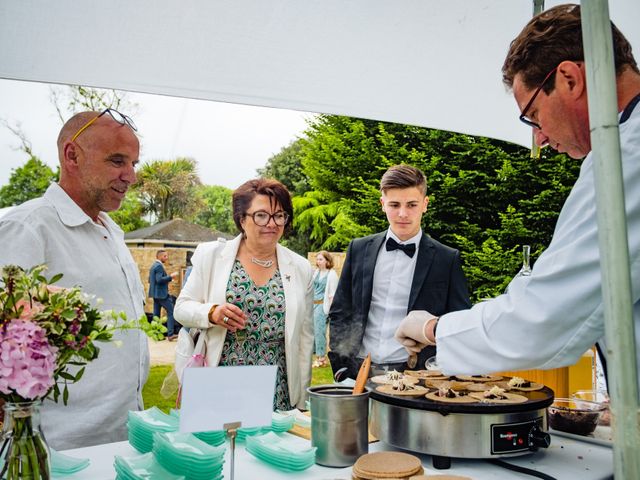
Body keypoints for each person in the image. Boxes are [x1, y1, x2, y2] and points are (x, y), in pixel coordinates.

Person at [395, 4, 640, 381]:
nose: (539, 137)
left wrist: (433, 329)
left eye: (533, 115)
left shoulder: (624, 155)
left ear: (570, 79)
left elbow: (545, 319)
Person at [0, 108, 148, 449]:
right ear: (72, 155)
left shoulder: (111, 231)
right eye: (117, 161)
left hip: (122, 436)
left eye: (133, 164)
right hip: (58, 446)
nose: (131, 176)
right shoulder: (29, 227)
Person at [174, 178, 314, 410]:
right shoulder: (211, 255)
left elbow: (305, 338)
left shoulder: (300, 267)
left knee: (270, 447)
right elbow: (182, 308)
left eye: (279, 215)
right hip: (220, 379)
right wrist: (211, 313)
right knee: (220, 445)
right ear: (242, 219)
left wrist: (301, 401)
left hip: (277, 386)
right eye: (261, 215)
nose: (271, 223)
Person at [328, 164, 471, 379]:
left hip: (416, 375)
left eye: (411, 204)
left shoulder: (446, 258)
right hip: (357, 372)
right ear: (382, 204)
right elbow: (341, 309)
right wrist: (340, 365)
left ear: (425, 204)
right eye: (394, 204)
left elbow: (458, 319)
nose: (403, 213)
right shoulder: (358, 248)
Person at [311, 251, 339, 368]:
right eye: (317, 259)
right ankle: (316, 355)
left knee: (320, 332)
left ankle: (321, 359)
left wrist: (331, 311)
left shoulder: (331, 274)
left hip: (323, 306)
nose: (318, 261)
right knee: (312, 331)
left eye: (321, 259)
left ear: (327, 261)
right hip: (313, 305)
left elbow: (332, 295)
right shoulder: (316, 272)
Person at [149, 249, 179, 340]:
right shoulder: (159, 266)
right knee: (171, 311)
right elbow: (159, 280)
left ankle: (156, 335)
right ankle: (170, 334)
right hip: (162, 294)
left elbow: (149, 280)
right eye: (165, 256)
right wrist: (171, 276)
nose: (167, 258)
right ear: (159, 256)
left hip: (155, 294)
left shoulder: (153, 266)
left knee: (156, 315)